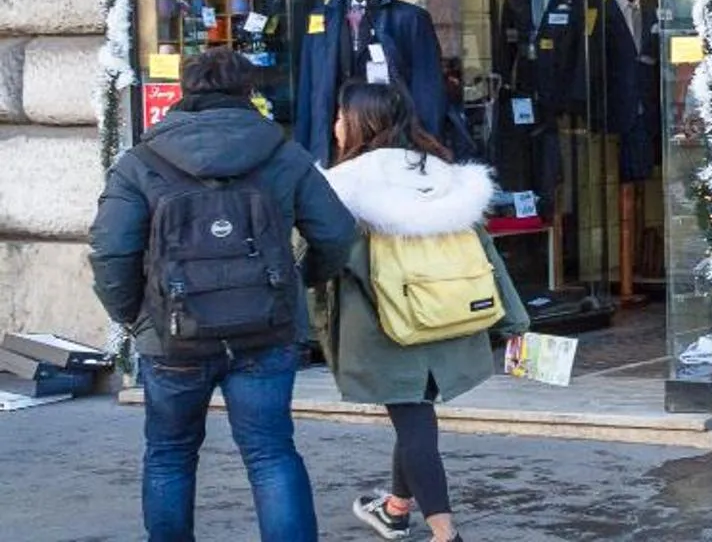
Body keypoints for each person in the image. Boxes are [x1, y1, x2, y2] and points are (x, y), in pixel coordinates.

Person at [88, 43, 359, 542]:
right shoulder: (283, 153)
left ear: (184, 91)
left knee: (169, 453)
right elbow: (337, 234)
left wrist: (137, 317)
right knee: (271, 453)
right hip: (265, 328)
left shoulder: (142, 159)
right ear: (247, 92)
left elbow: (110, 251)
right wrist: (303, 282)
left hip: (173, 334)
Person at [320, 81, 530, 542]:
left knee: (415, 424)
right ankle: (395, 510)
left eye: (341, 114)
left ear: (360, 122)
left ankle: (444, 532)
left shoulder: (345, 185)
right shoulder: (443, 174)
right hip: (452, 316)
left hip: (391, 326)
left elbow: (325, 259)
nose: (335, 124)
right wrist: (514, 319)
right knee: (416, 415)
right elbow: (485, 251)